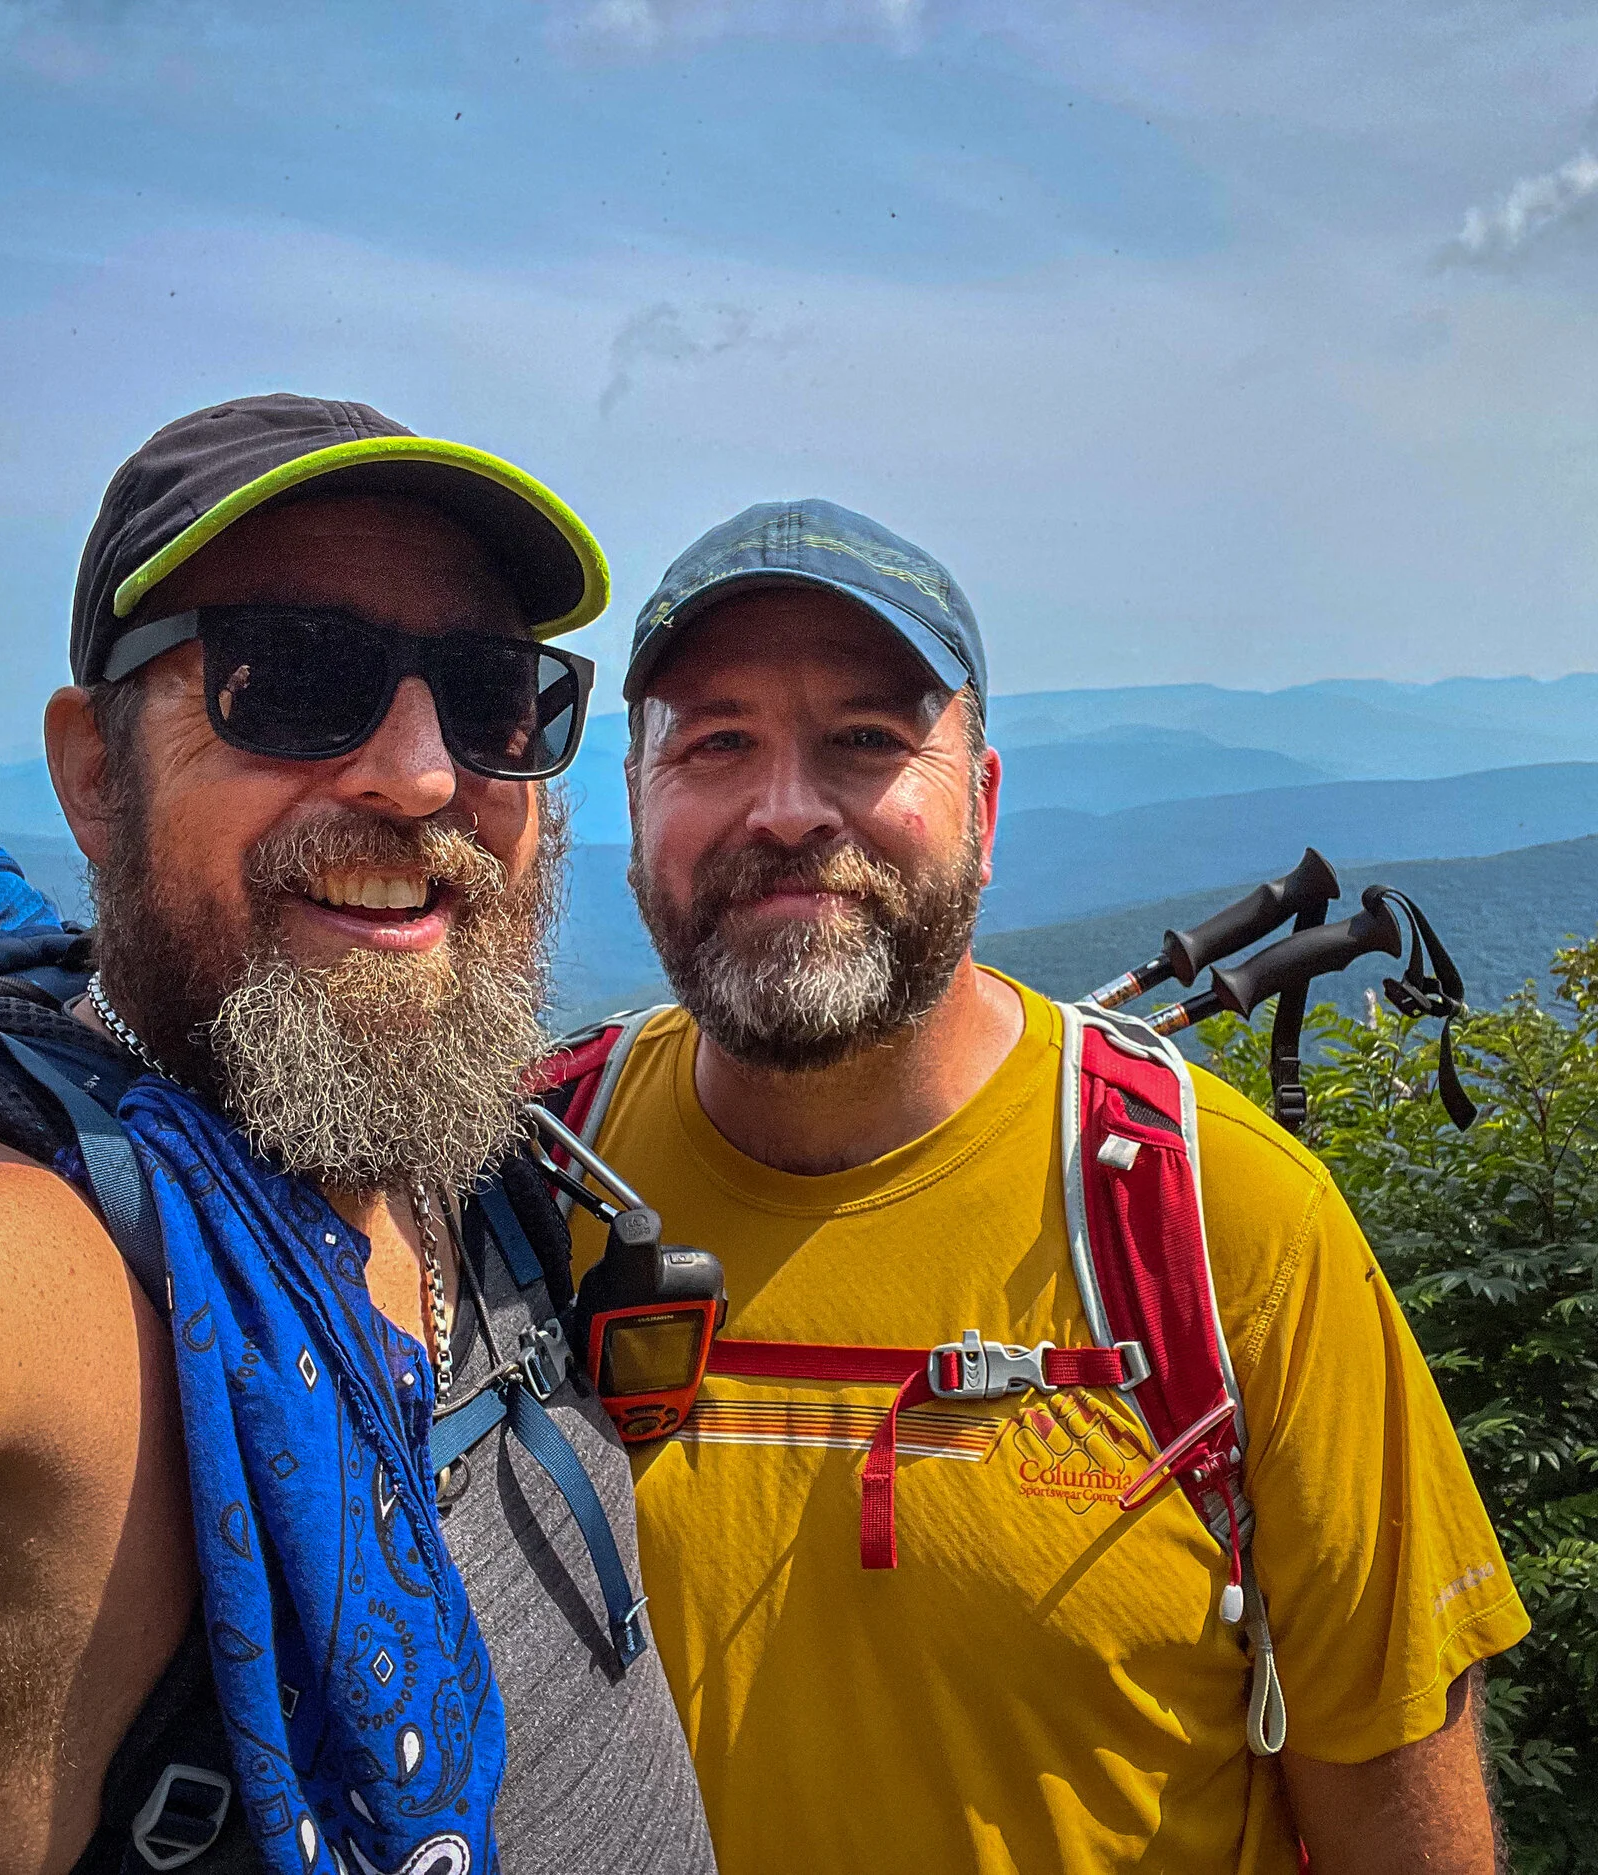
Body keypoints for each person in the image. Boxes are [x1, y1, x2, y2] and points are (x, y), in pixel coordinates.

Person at [0, 395, 713, 1875]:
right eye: (293, 676)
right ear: (96, 777)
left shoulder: (466, 1148)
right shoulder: (5, 1273)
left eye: (495, 696)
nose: (426, 775)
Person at [556, 499, 1532, 1873]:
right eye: (717, 743)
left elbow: (1397, 1814)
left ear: (987, 805)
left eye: (867, 740)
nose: (786, 807)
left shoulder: (1220, 1226)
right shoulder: (529, 1177)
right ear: (638, 804)